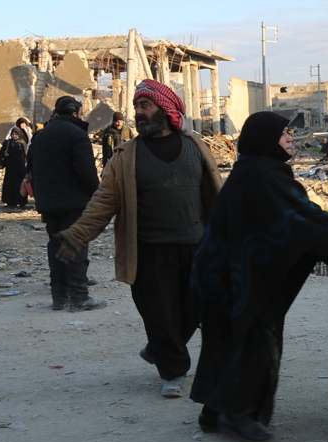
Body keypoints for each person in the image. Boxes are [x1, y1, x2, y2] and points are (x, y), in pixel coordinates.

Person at [189, 111, 328, 442]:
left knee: (231, 340)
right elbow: (298, 228)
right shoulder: (259, 177)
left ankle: (214, 412)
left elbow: (308, 214)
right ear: (266, 138)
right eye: (284, 132)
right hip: (233, 277)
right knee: (256, 341)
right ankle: (237, 415)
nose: (291, 137)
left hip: (225, 273)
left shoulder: (263, 172)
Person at [55, 79, 222, 398]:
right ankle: (173, 370)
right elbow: (103, 202)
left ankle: (160, 348)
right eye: (136, 107)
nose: (138, 112)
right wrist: (76, 236)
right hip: (149, 252)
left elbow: (216, 194)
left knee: (196, 309)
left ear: (166, 108)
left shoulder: (196, 146)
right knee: (160, 314)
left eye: (145, 105)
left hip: (196, 247)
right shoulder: (126, 156)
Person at [27, 96, 105, 312]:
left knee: (55, 247)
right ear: (75, 112)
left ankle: (59, 297)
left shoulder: (40, 136)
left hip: (48, 203)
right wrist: (97, 195)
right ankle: (79, 297)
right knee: (75, 246)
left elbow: (30, 166)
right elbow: (86, 172)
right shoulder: (77, 134)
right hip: (74, 202)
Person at [0, 129, 28, 209]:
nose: (14, 136)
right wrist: (0, 163)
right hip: (11, 167)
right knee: (10, 184)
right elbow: (1, 153)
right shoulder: (8, 143)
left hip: (21, 167)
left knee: (20, 185)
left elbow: (26, 155)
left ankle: (21, 202)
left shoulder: (23, 143)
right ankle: (11, 202)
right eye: (13, 134)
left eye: (16, 134)